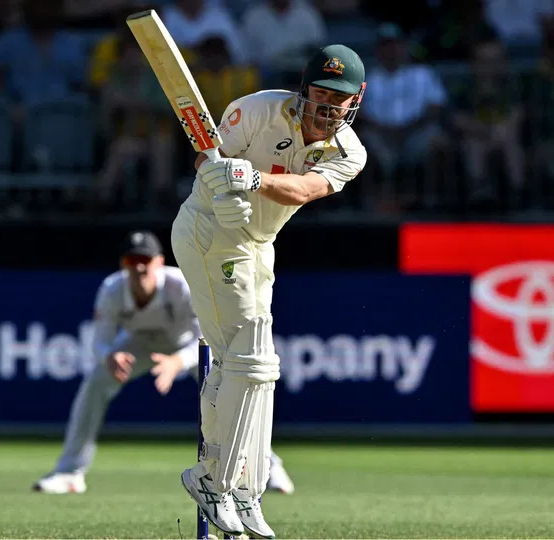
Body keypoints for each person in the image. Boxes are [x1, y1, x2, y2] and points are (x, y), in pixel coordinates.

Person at [171, 44, 367, 538]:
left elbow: (305, 190)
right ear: (304, 88)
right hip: (206, 231)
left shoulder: (351, 152)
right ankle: (212, 480)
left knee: (260, 364)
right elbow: (206, 160)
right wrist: (222, 189)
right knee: (244, 359)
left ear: (355, 101)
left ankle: (246, 489)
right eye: (319, 94)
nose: (326, 109)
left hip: (259, 243)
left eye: (337, 100)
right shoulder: (258, 109)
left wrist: (253, 180)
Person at [32, 231, 296, 495]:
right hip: (138, 345)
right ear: (123, 263)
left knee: (227, 395)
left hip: (190, 347)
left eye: (145, 260)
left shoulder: (182, 284)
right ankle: (69, 473)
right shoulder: (112, 289)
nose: (138, 267)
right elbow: (100, 342)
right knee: (96, 382)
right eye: (131, 260)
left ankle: (267, 467)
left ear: (158, 262)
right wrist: (109, 356)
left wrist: (177, 362)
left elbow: (207, 336)